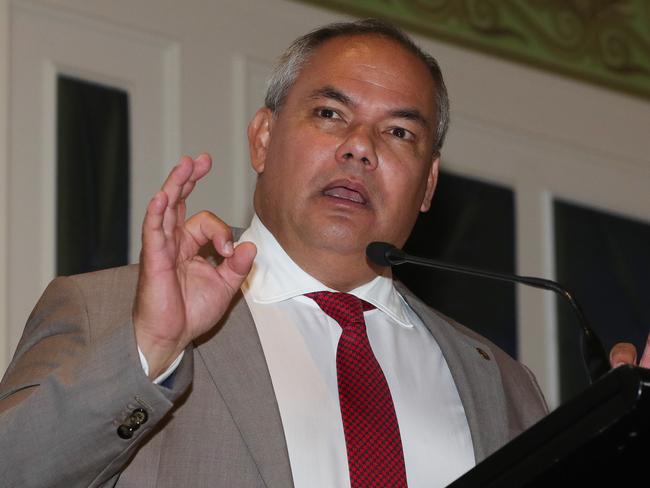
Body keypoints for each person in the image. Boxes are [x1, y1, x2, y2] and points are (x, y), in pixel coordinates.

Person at [3, 18, 633, 488]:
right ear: (262, 138)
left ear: (428, 186)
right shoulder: (103, 310)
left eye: (399, 132)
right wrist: (149, 351)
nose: (361, 147)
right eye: (331, 113)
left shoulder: (500, 381)